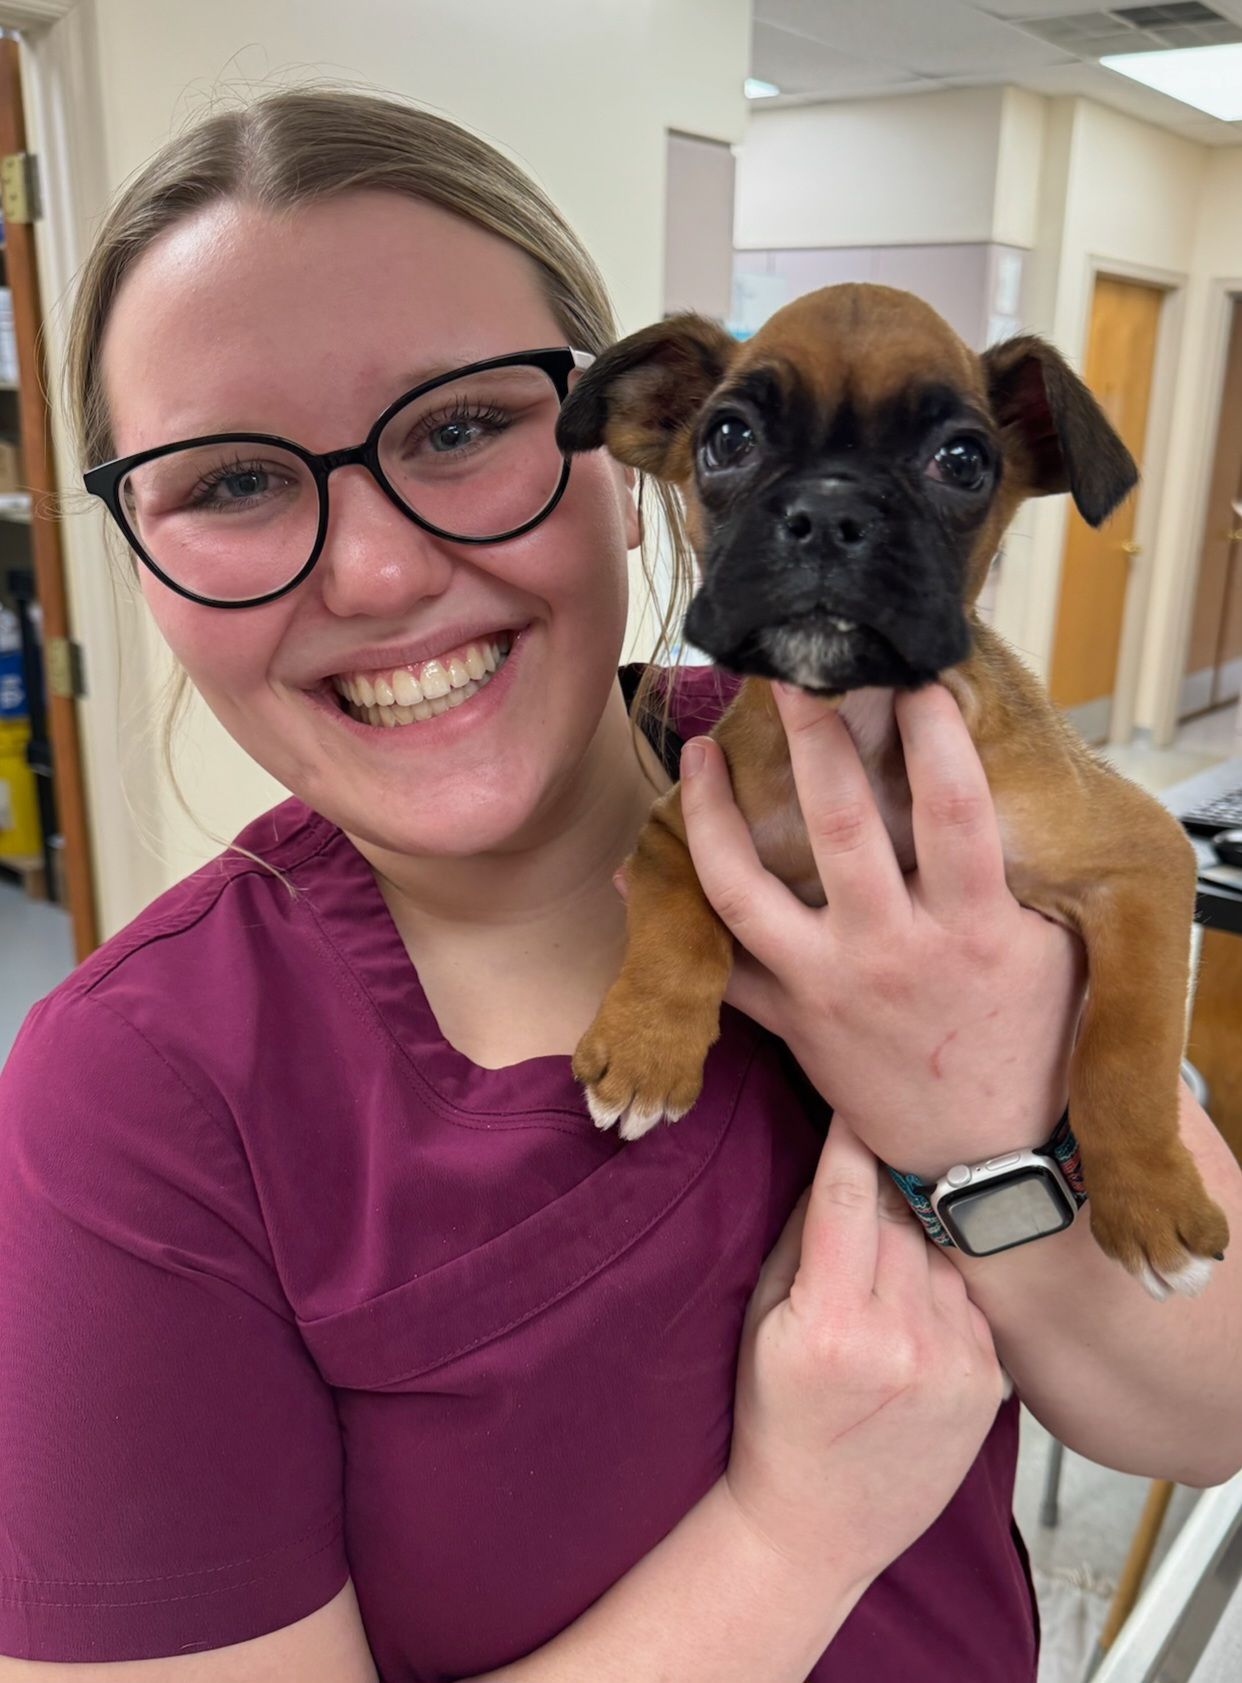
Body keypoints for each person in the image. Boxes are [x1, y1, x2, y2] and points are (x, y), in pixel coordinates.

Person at [1, 88, 1240, 1683]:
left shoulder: (914, 809)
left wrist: (997, 1115)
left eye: (457, 427)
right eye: (231, 480)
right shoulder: (136, 1106)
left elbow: (1207, 1411)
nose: (376, 573)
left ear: (607, 440)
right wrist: (796, 1528)